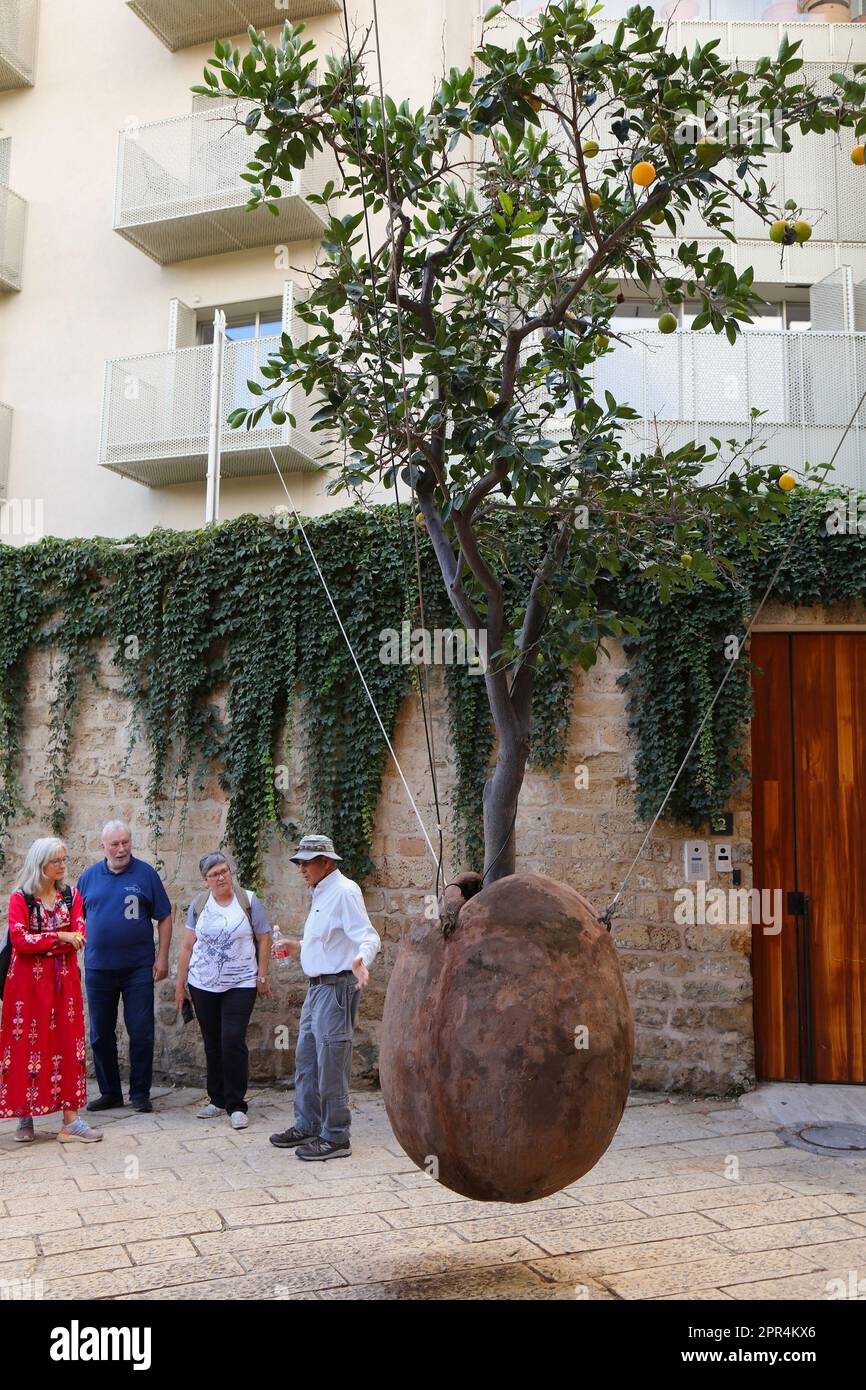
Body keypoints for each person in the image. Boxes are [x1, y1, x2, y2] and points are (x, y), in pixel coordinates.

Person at [270, 834, 380, 1161]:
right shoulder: (321, 892)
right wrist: (298, 947)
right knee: (306, 1062)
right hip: (317, 989)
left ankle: (336, 1137)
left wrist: (362, 960)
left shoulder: (345, 892)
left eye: (307, 862)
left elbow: (368, 936)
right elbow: (329, 944)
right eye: (299, 863)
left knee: (331, 1065)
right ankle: (308, 1125)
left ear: (326, 863)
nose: (301, 868)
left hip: (335, 989)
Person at [0, 837, 102, 1142]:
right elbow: (20, 941)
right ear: (40, 863)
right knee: (25, 1046)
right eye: (56, 860)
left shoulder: (71, 896)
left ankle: (71, 1119)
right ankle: (24, 1116)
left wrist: (53, 940)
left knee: (68, 1044)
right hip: (26, 987)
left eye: (64, 859)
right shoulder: (21, 898)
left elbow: (81, 935)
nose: (62, 865)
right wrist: (62, 939)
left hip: (64, 984)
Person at [76, 821, 172, 1114]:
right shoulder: (88, 878)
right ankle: (110, 1093)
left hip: (138, 968)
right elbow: (75, 923)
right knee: (101, 1033)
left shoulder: (146, 875)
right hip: (98, 969)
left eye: (125, 843)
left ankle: (140, 1093)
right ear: (103, 846)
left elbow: (165, 917)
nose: (121, 849)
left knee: (141, 1031)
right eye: (115, 844)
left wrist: (162, 957)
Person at [174, 852, 272, 1130]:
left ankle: (237, 1105)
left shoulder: (248, 901)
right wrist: (180, 985)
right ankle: (216, 1099)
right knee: (212, 1042)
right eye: (214, 874)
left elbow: (264, 939)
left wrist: (262, 976)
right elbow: (187, 946)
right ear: (205, 880)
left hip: (240, 983)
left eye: (225, 871)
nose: (221, 877)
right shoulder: (200, 904)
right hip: (203, 983)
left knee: (232, 1039)